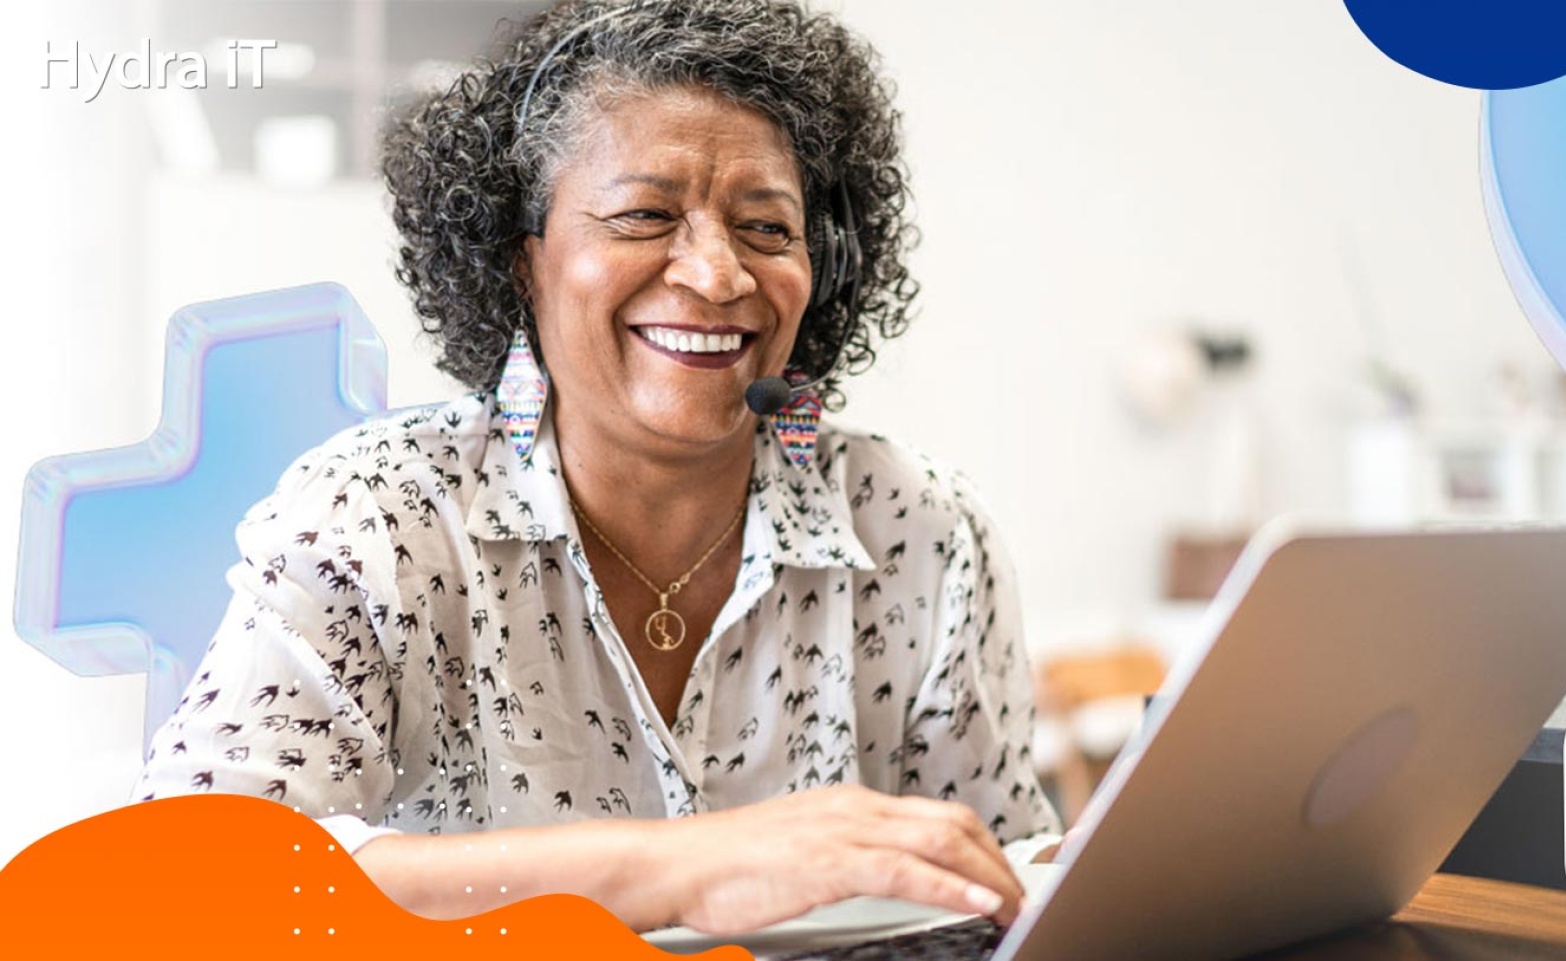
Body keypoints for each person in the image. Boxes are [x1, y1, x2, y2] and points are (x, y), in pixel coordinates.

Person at [132, 0, 1060, 934]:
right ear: (518, 263)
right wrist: (687, 866)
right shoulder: (379, 516)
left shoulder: (920, 529)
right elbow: (194, 877)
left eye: (767, 229)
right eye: (645, 215)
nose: (718, 275)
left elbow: (1000, 889)